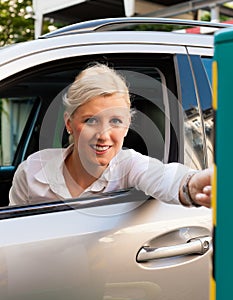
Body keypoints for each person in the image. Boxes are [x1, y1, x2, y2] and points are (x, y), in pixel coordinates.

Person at [9, 63, 212, 207]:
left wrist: (193, 186)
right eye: (90, 120)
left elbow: (165, 178)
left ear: (127, 126)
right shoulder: (32, 170)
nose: (103, 135)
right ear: (69, 123)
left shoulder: (129, 165)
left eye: (115, 121)